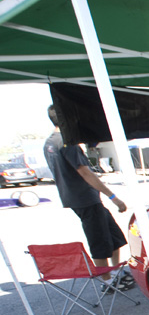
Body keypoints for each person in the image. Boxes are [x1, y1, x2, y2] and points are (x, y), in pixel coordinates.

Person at [43, 105, 132, 289]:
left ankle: (115, 272)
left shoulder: (49, 142)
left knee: (114, 235)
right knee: (99, 241)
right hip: (85, 199)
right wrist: (113, 197)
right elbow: (85, 173)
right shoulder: (67, 143)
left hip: (79, 198)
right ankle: (108, 281)